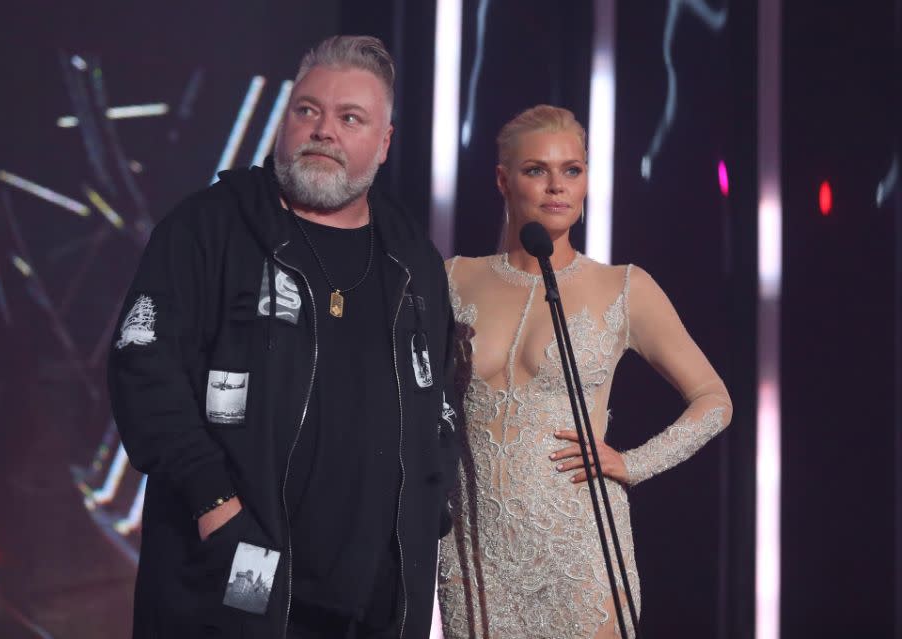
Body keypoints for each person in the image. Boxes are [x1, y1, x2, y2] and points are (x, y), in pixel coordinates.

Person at [108, 35, 460, 639]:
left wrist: (432, 508)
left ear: (384, 143)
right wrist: (215, 506)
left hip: (371, 602)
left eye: (350, 118)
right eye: (308, 110)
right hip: (238, 582)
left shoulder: (413, 260)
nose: (323, 130)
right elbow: (144, 371)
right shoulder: (208, 228)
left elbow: (441, 395)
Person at [436, 105, 733, 638]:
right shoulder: (453, 279)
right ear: (503, 180)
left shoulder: (623, 287)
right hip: (475, 554)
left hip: (581, 549)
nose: (557, 187)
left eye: (572, 170)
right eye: (536, 170)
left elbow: (714, 399)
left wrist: (633, 463)